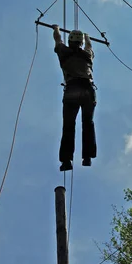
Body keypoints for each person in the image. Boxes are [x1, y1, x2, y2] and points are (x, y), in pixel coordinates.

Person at [52, 24, 97, 171]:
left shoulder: (63, 51)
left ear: (70, 41)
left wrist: (56, 28)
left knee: (69, 126)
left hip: (72, 89)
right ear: (81, 43)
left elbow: (58, 39)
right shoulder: (87, 54)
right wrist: (87, 36)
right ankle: (87, 157)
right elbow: (89, 45)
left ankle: (66, 161)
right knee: (87, 123)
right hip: (87, 89)